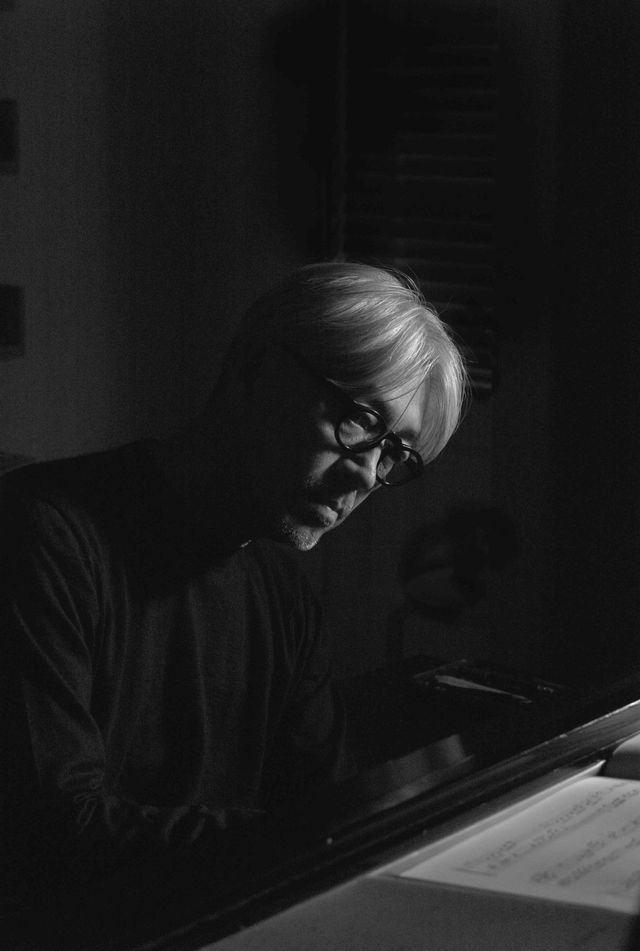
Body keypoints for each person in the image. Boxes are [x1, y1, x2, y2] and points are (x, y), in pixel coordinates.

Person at [0, 261, 466, 931]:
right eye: (360, 419)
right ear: (256, 370)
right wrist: (304, 837)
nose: (367, 474)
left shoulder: (284, 596)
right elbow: (54, 833)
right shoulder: (42, 535)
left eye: (394, 453)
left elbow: (323, 805)